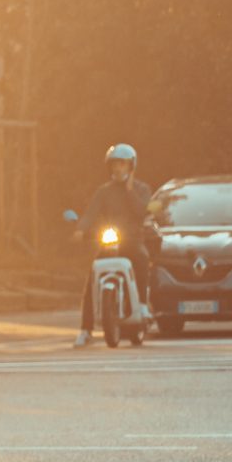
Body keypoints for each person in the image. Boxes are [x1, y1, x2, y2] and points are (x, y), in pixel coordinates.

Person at [72, 141, 155, 346]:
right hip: (110, 242)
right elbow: (91, 212)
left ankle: (143, 305)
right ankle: (86, 329)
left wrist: (129, 191)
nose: (118, 168)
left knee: (142, 258)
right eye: (114, 164)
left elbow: (142, 211)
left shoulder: (142, 189)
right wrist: (81, 230)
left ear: (131, 166)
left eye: (123, 164)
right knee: (92, 278)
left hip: (133, 240)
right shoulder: (104, 191)